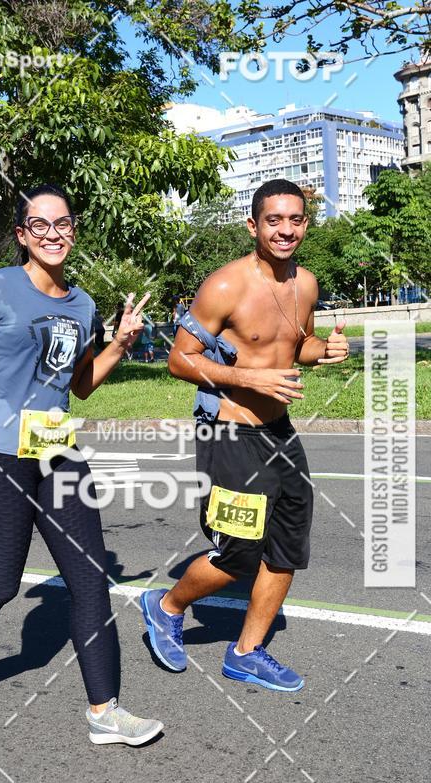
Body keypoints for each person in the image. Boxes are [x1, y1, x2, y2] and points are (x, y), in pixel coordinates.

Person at [0, 183, 163, 746]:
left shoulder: (82, 304)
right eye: (40, 225)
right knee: (1, 581)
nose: (53, 234)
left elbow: (78, 385)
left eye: (63, 224)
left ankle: (105, 712)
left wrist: (120, 344)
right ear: (22, 236)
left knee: (90, 581)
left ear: (73, 230)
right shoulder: (0, 287)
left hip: (56, 451)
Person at [140, 179, 349, 692]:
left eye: (295, 219)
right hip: (229, 431)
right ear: (253, 224)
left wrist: (323, 351)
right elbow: (179, 360)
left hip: (279, 432)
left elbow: (294, 345)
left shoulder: (307, 283)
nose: (285, 230)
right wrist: (247, 378)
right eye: (273, 220)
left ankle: (246, 652)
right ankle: (166, 604)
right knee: (237, 553)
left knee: (287, 545)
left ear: (305, 224)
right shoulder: (225, 285)